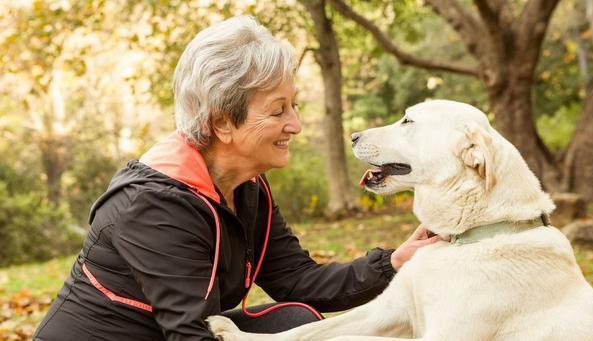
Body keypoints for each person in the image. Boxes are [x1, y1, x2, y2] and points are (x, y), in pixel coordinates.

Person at [34, 16, 438, 341]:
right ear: (223, 122)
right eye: (278, 110)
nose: (295, 125)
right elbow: (192, 335)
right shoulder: (152, 206)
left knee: (294, 318)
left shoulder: (245, 187)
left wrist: (394, 262)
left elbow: (298, 281)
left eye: (293, 105)